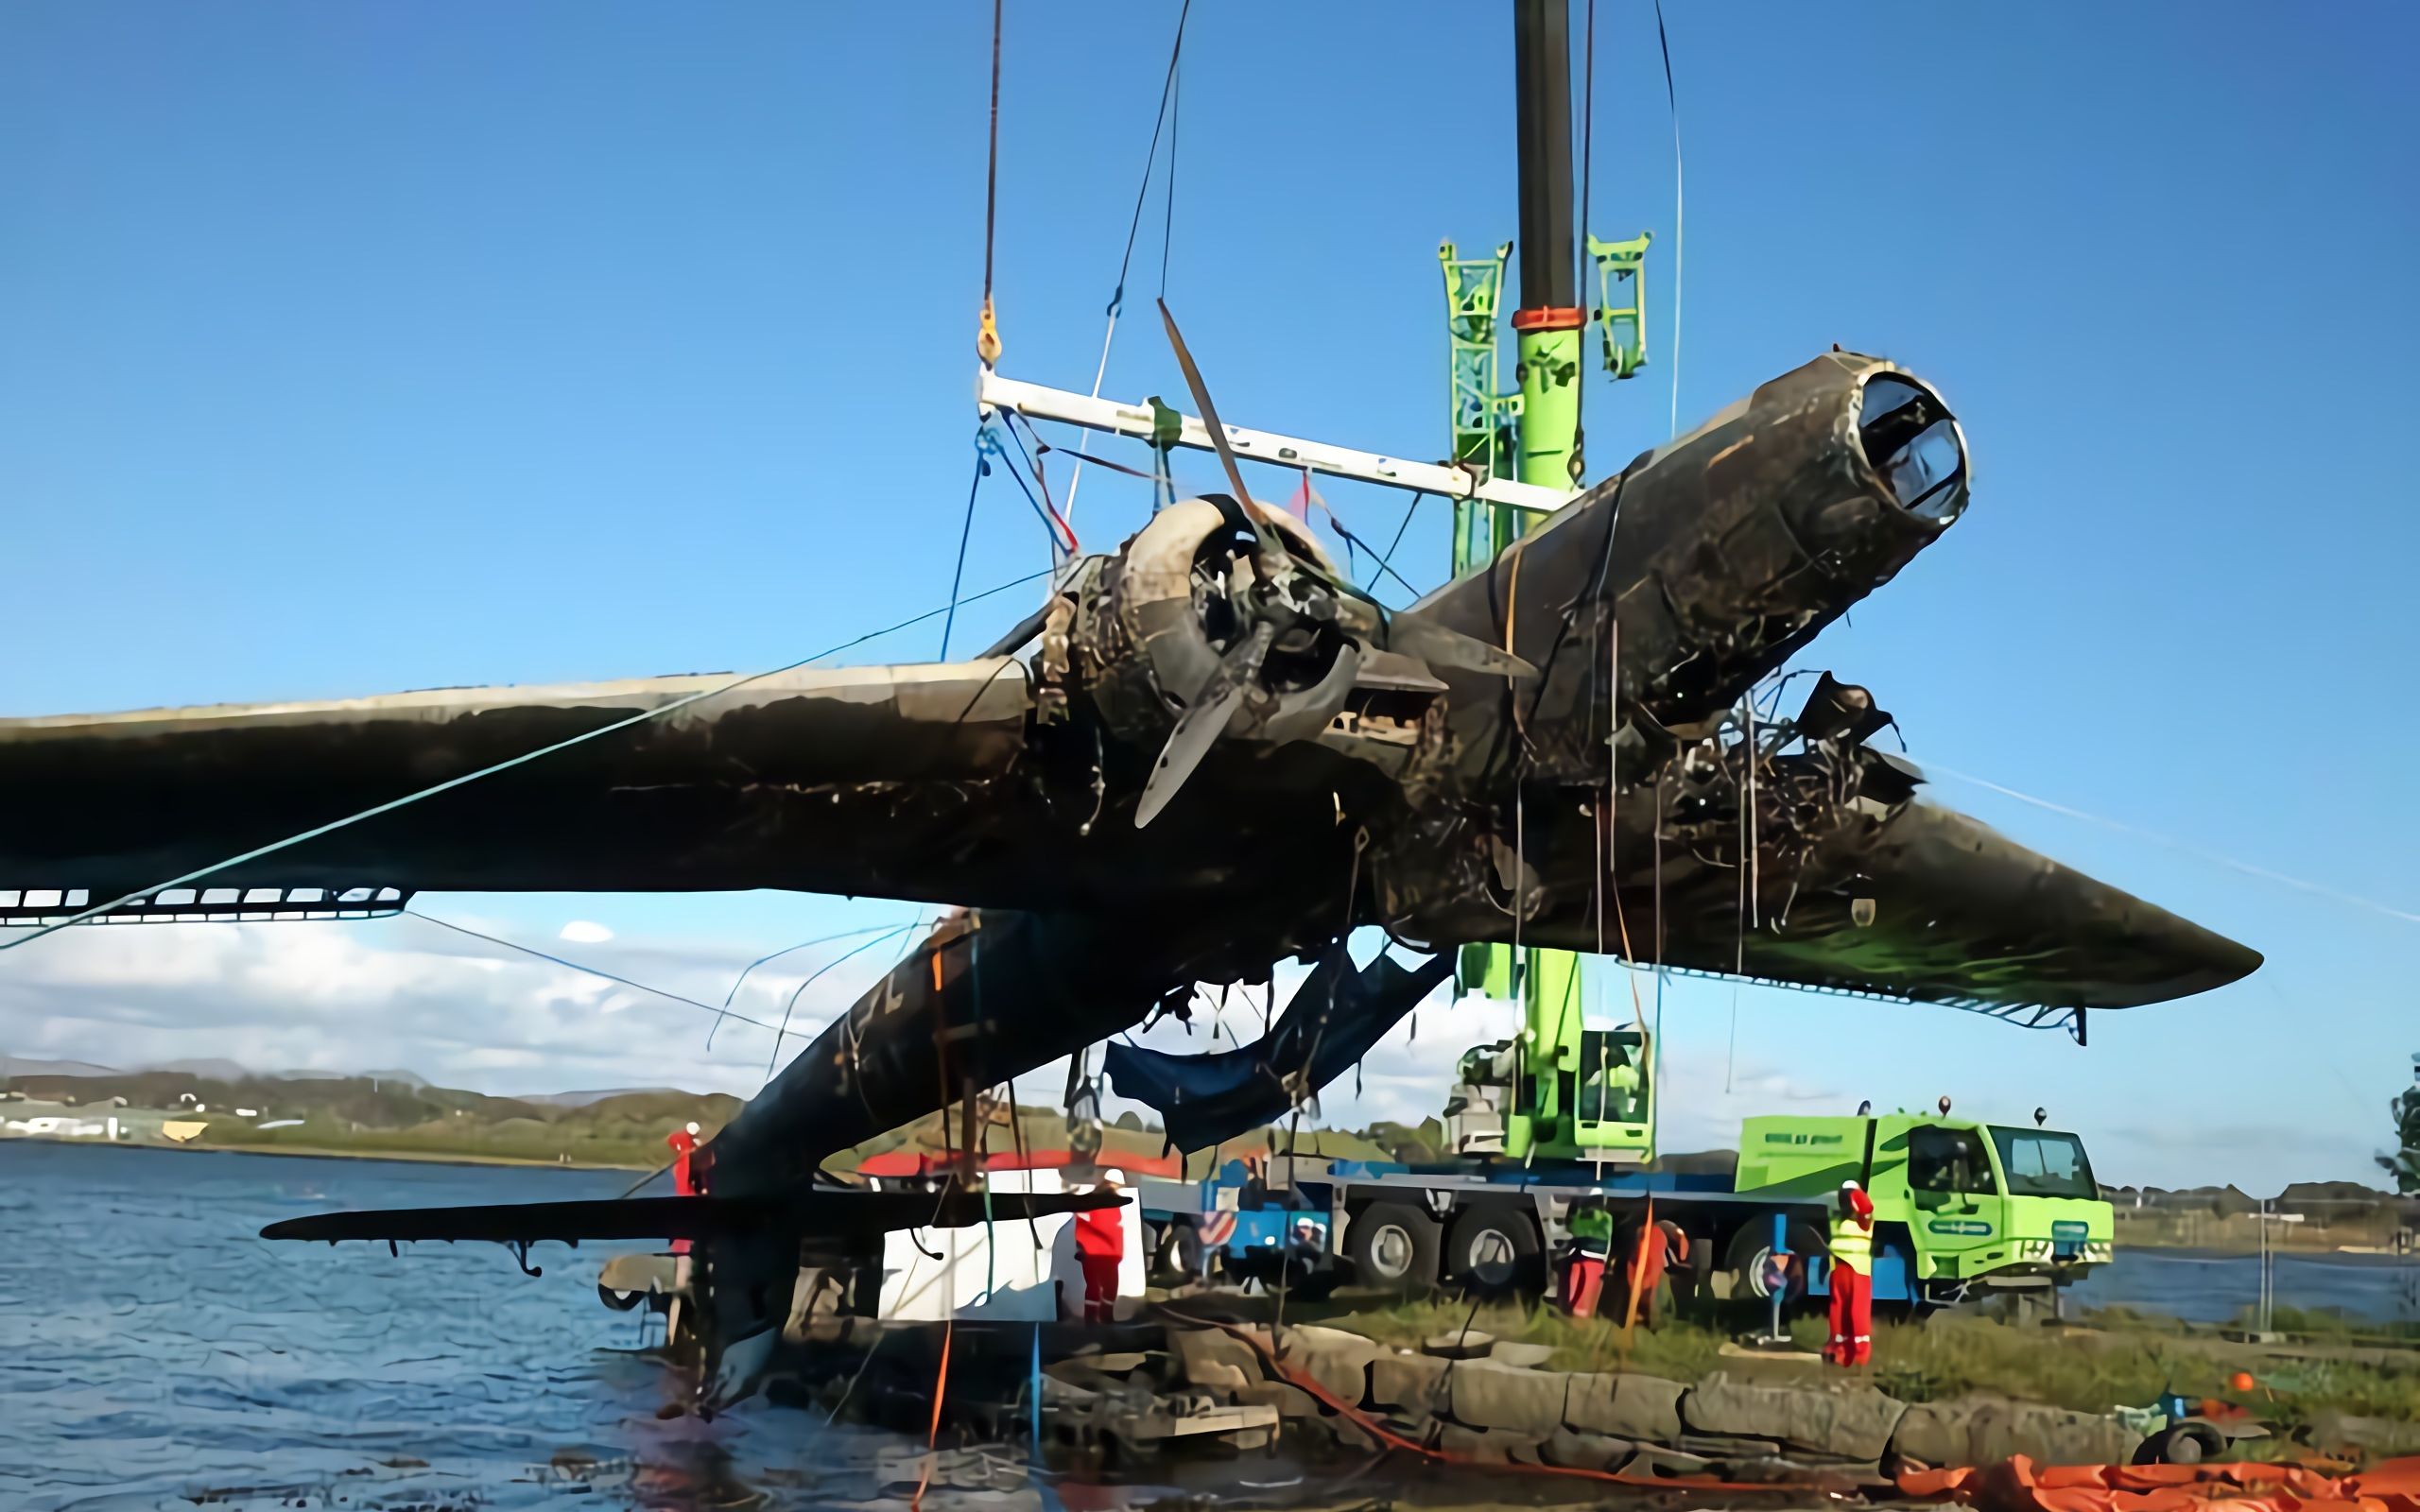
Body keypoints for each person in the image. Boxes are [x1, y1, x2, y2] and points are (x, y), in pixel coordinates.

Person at [1826, 1178, 1876, 1366]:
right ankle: (1839, 1352)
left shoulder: (1864, 1218)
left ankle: (1860, 1355)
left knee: (1857, 1313)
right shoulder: (1836, 1215)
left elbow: (1866, 1206)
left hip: (1858, 1269)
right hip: (1839, 1268)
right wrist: (1846, 1195)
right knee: (1838, 1312)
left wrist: (1853, 1194)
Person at [1073, 1167, 1127, 1325]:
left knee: (1097, 1287)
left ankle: (1096, 1320)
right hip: (1102, 1253)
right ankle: (1100, 1319)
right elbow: (1082, 1224)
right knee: (1103, 1288)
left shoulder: (1096, 1201)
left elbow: (1080, 1223)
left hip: (1103, 1252)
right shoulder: (1098, 1202)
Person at [1627, 1217, 1690, 1328]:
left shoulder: (1648, 1237)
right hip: (1652, 1273)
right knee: (1655, 1294)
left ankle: (1643, 1317)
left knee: (1647, 1294)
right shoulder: (1662, 1233)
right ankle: (1651, 1319)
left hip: (1645, 1272)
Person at [1564, 1204, 1613, 1317]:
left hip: (1587, 1258)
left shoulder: (1583, 1218)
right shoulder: (1606, 1218)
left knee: (1581, 1296)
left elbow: (1572, 1228)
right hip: (1595, 1260)